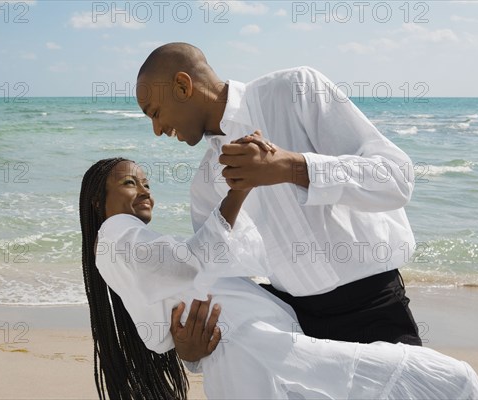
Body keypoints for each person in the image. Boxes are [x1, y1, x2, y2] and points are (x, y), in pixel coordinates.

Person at [79, 157, 478, 400]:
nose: (145, 191)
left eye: (147, 183)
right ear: (99, 200)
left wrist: (191, 351)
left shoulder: (128, 245)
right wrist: (239, 190)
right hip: (261, 353)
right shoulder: (116, 235)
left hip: (250, 358)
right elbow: (187, 262)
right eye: (130, 183)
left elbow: (161, 332)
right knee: (447, 380)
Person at [136, 43, 423, 362]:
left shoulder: (295, 89)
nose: (157, 130)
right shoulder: (205, 184)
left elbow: (396, 179)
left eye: (155, 112)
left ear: (182, 85)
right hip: (296, 332)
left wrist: (292, 167)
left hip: (377, 310)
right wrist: (193, 353)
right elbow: (216, 282)